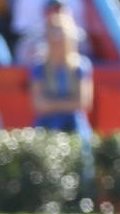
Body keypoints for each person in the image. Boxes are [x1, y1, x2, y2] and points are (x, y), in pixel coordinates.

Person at [30, 14, 93, 185]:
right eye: (53, 36)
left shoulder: (81, 65)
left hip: (74, 125)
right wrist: (67, 104)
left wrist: (53, 104)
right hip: (47, 125)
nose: (57, 42)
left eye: (61, 36)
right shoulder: (40, 67)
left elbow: (83, 102)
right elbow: (38, 104)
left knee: (82, 160)